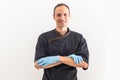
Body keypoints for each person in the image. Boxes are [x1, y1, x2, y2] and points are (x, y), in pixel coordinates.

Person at [34, 3, 89, 80]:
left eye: (65, 14)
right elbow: (38, 65)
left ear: (69, 16)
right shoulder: (44, 37)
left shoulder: (78, 38)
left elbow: (85, 64)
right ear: (54, 17)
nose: (62, 18)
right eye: (59, 15)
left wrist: (59, 59)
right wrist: (66, 59)